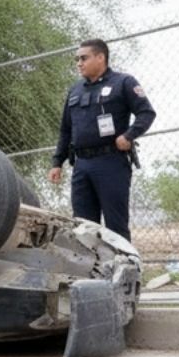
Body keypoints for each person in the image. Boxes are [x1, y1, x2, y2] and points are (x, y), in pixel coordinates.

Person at [49, 38, 156, 241]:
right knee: (83, 227)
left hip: (111, 163)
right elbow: (65, 130)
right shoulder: (75, 90)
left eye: (83, 58)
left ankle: (124, 269)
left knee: (116, 226)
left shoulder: (123, 82)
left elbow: (146, 113)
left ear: (100, 57)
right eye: (77, 59)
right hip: (82, 165)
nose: (78, 63)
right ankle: (92, 273)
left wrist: (129, 135)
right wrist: (57, 162)